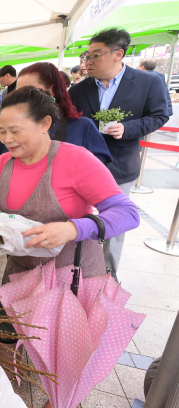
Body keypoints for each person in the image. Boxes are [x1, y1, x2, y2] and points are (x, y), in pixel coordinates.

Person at [0, 87, 140, 408]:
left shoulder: (76, 160)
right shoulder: (3, 164)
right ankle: (2, 396)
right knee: (4, 340)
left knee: (62, 361)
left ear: (45, 123)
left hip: (69, 278)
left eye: (15, 130)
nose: (7, 139)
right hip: (21, 272)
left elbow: (126, 212)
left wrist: (74, 227)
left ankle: (55, 406)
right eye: (2, 131)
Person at [69, 28, 170, 280]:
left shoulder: (148, 82)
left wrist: (128, 128)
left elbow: (160, 115)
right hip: (81, 165)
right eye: (86, 56)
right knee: (77, 215)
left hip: (121, 163)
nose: (87, 62)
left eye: (95, 55)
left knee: (115, 221)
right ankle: (74, 269)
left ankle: (107, 274)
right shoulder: (79, 90)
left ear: (118, 54)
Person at [0, 62, 112, 164]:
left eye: (30, 92)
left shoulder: (82, 127)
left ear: (53, 90)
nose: (21, 99)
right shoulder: (8, 131)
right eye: (18, 93)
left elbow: (98, 170)